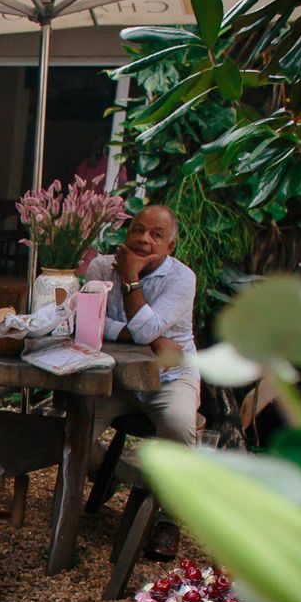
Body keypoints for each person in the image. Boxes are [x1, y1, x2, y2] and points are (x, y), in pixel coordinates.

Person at [82, 204, 200, 557]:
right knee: (73, 420)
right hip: (115, 378)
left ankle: (168, 520)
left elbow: (146, 325)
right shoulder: (102, 267)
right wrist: (145, 337)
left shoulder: (182, 278)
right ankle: (107, 470)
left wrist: (131, 279)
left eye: (156, 234)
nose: (144, 239)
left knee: (179, 427)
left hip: (170, 377)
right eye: (138, 230)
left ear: (171, 246)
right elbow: (87, 324)